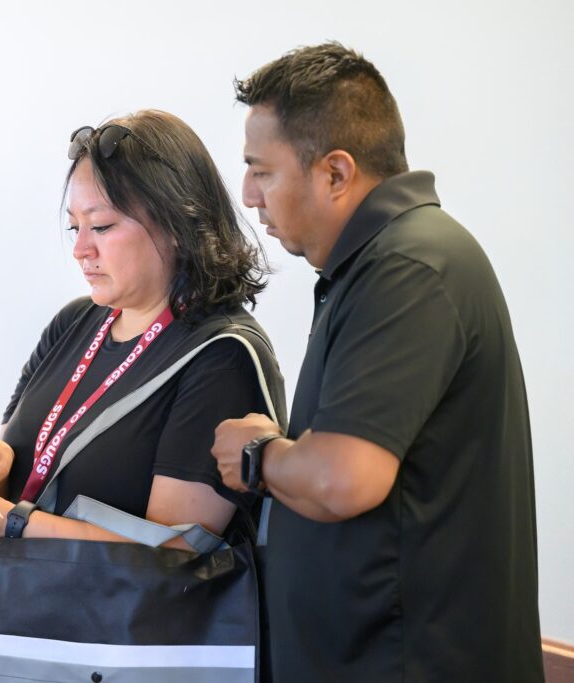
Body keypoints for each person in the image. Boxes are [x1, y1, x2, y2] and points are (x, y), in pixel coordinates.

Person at [211, 43, 543, 682]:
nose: (250, 195)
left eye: (263, 170)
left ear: (335, 173)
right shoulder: (380, 264)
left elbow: (344, 479)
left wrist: (259, 454)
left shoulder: (409, 267)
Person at [0, 109, 284, 555]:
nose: (81, 250)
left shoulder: (221, 356)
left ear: (179, 224)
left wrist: (9, 523)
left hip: (129, 626)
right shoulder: (75, 322)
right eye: (75, 226)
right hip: (28, 616)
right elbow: (41, 471)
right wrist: (0, 458)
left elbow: (174, 556)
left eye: (102, 226)